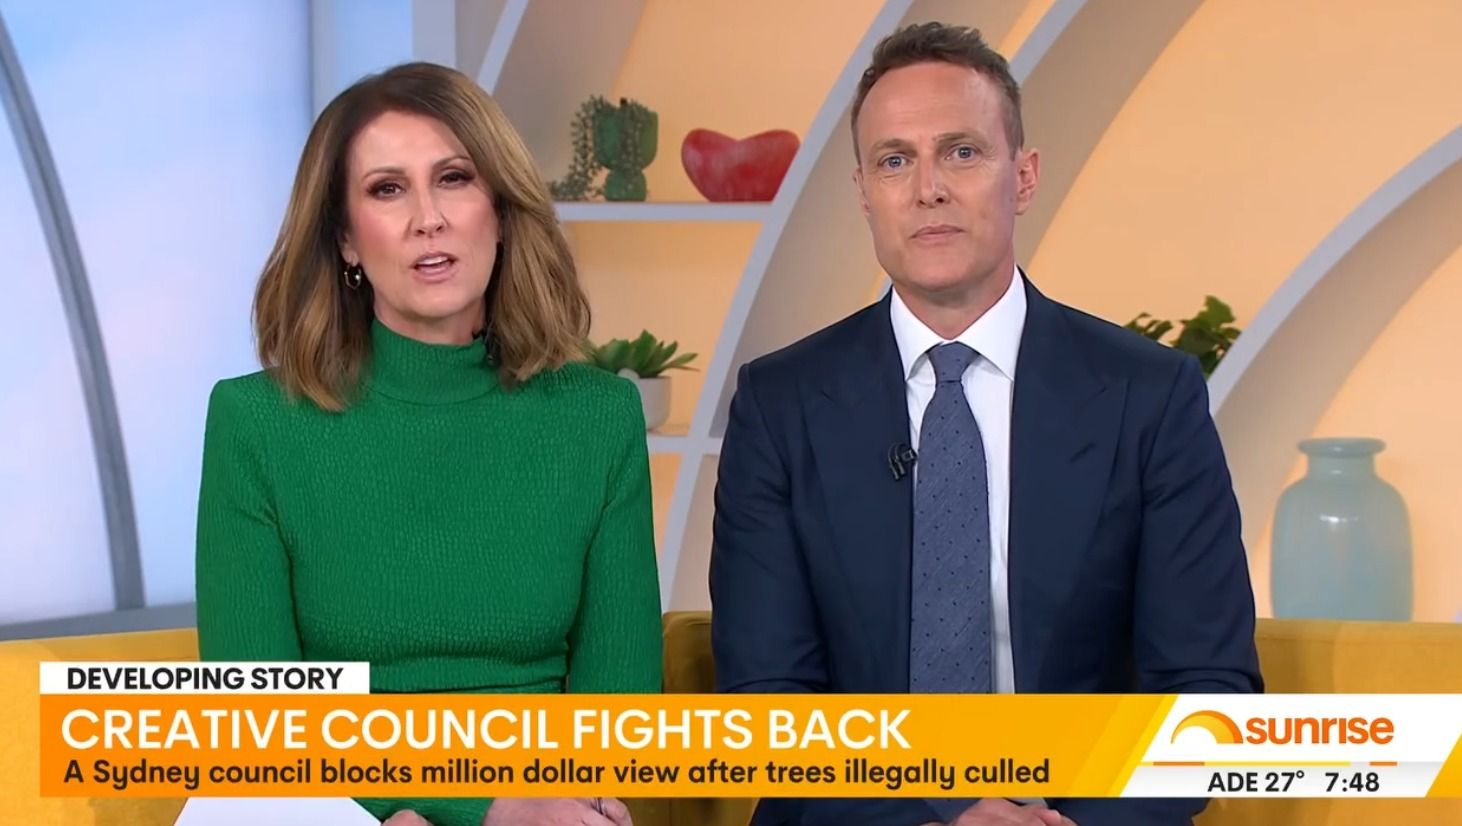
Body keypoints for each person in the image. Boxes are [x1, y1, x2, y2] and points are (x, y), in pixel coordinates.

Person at [709, 22, 1262, 826]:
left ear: (1024, 176)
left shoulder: (1148, 395)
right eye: (894, 161)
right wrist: (940, 818)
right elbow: (768, 702)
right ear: (864, 193)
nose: (927, 188)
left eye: (961, 152)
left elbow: (1207, 691)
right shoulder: (780, 404)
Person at [194, 62, 662, 826]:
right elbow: (254, 733)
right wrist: (472, 807)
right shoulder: (256, 423)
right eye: (387, 189)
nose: (428, 218)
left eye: (454, 178)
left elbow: (619, 718)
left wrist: (534, 810)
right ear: (346, 239)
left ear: (499, 210)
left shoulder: (598, 417)